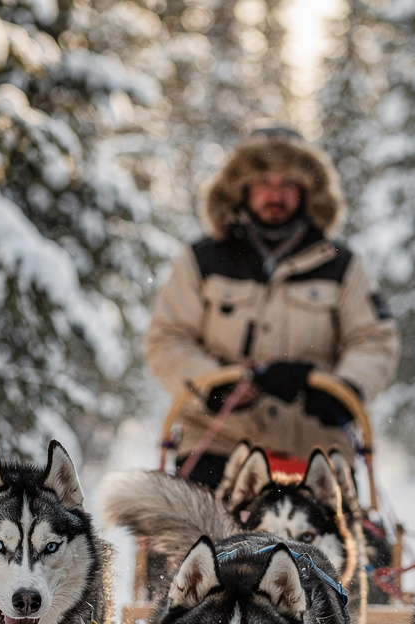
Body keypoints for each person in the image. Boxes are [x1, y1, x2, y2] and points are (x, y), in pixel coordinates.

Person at [145, 125, 400, 486]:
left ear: (307, 192)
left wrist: (343, 390)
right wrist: (212, 386)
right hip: (217, 444)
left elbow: (374, 339)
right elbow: (168, 337)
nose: (275, 194)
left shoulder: (342, 265)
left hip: (317, 450)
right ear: (242, 189)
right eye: (263, 181)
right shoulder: (201, 260)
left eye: (288, 184)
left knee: (336, 541)